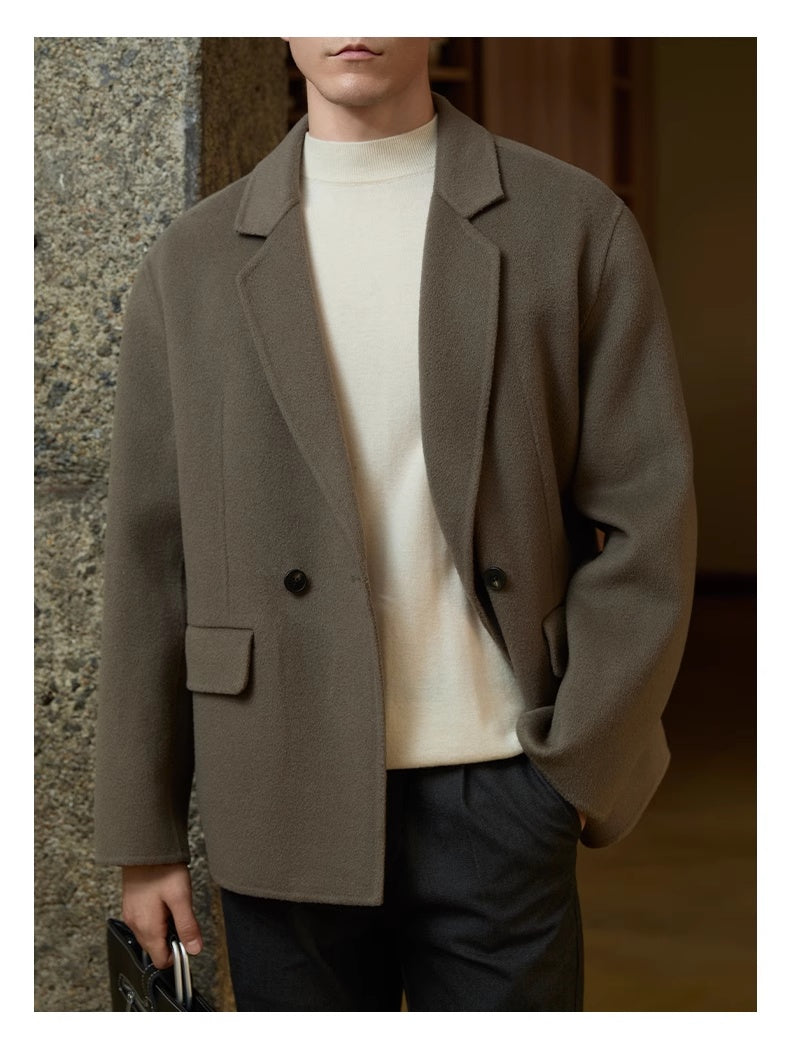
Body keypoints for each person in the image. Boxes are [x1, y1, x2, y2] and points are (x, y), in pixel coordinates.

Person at [94, 37, 696, 1011]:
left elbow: (648, 523)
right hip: (279, 785)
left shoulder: (572, 225)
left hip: (506, 784)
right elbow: (148, 560)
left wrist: (578, 765)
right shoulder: (191, 263)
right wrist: (144, 835)